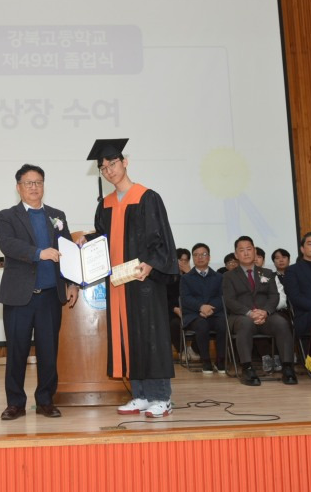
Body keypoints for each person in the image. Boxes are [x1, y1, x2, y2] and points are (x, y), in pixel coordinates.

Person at [89, 139, 178, 418]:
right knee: (128, 336)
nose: (109, 171)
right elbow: (102, 240)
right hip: (118, 282)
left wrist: (151, 265)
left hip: (143, 281)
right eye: (103, 168)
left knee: (150, 335)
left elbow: (162, 238)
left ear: (125, 162)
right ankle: (140, 395)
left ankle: (161, 397)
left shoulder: (147, 197)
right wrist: (85, 244)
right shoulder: (105, 205)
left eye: (112, 164)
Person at [0, 163, 79, 421]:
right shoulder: (6, 216)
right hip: (19, 297)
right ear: (18, 187)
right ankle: (15, 403)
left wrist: (72, 283)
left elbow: (66, 251)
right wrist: (38, 253)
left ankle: (45, 401)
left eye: (38, 182)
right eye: (28, 183)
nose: (34, 187)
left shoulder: (57, 215)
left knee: (48, 352)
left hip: (50, 296)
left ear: (44, 185)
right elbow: (8, 245)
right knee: (16, 352)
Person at [222, 236, 297, 386]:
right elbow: (229, 300)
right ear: (236, 255)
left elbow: (274, 296)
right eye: (241, 250)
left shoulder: (267, 273)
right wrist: (250, 313)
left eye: (249, 249)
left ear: (255, 251)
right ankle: (247, 368)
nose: (246, 253)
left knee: (282, 323)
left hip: (266, 315)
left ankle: (288, 367)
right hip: (241, 316)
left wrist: (265, 312)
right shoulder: (228, 276)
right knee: (245, 324)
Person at [180, 243, 227, 373]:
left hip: (215, 313)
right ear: (193, 258)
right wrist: (201, 307)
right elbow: (185, 298)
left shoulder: (219, 277)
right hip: (194, 314)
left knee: (223, 324)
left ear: (209, 257)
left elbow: (222, 297)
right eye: (196, 255)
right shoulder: (186, 278)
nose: (200, 257)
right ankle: (206, 360)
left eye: (203, 254)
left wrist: (211, 309)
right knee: (202, 325)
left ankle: (221, 360)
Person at [168, 248, 194, 360]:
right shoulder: (168, 278)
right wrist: (175, 309)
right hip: (174, 312)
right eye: (180, 260)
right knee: (174, 323)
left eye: (186, 260)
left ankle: (194, 349)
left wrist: (190, 274)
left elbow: (199, 294)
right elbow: (165, 299)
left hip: (192, 311)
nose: (183, 263)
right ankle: (182, 350)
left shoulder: (193, 276)